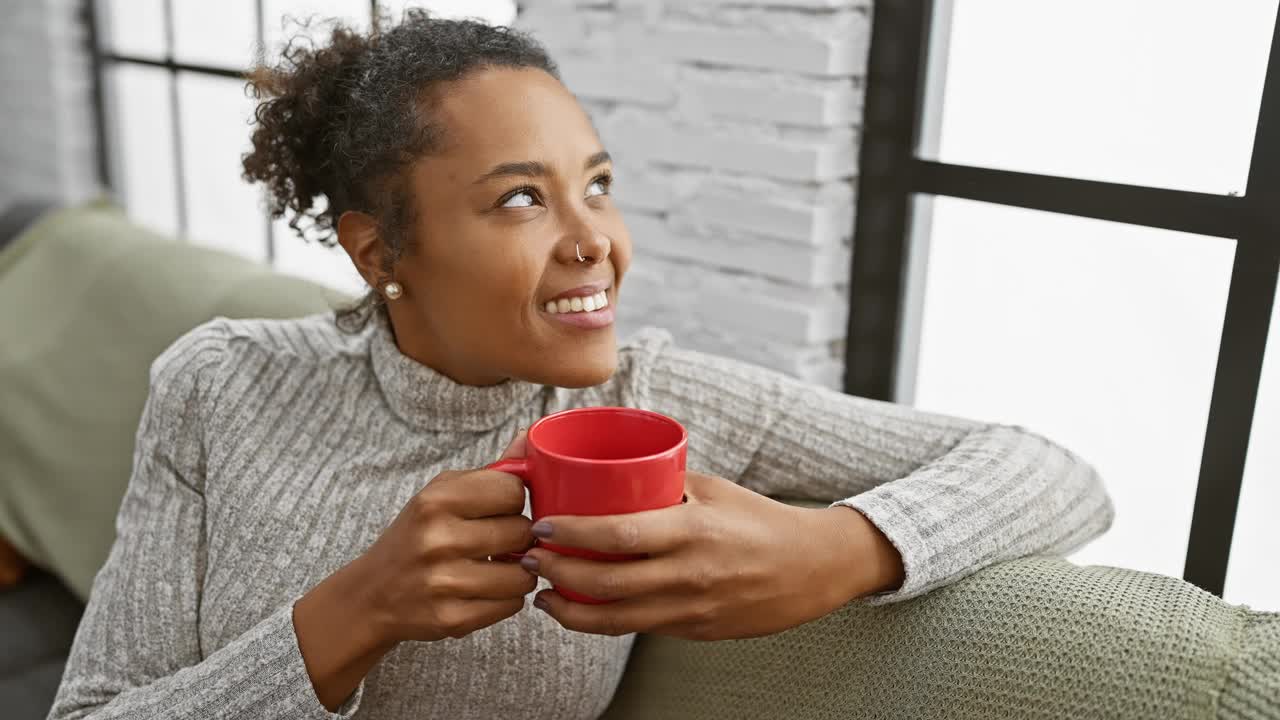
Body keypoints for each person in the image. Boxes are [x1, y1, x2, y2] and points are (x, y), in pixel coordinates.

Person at [48, 12, 1114, 720]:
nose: (593, 237)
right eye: (520, 197)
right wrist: (356, 610)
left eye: (594, 184)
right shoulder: (220, 384)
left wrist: (835, 552)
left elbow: (1052, 471)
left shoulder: (650, 398)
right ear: (380, 252)